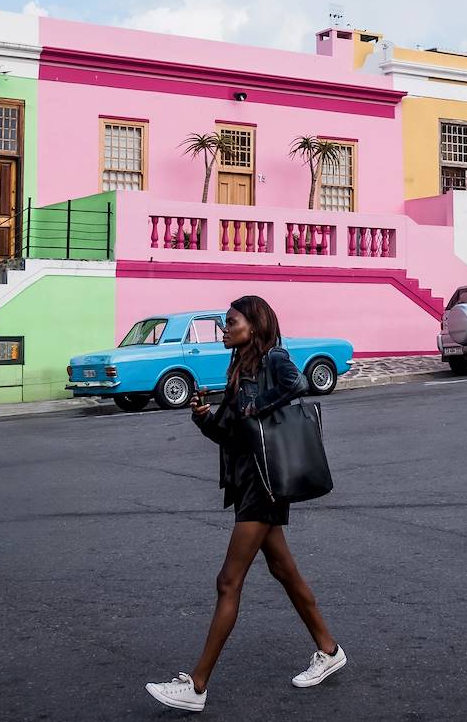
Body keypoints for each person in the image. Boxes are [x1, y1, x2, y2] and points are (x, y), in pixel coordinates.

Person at [146, 295, 345, 712]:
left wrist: (259, 406)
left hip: (264, 485)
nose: (224, 329)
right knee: (284, 571)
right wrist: (204, 418)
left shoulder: (274, 359)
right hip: (247, 481)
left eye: (231, 322)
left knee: (228, 581)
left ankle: (197, 685)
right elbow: (232, 434)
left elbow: (297, 384)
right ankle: (328, 650)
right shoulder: (239, 367)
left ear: (252, 326)